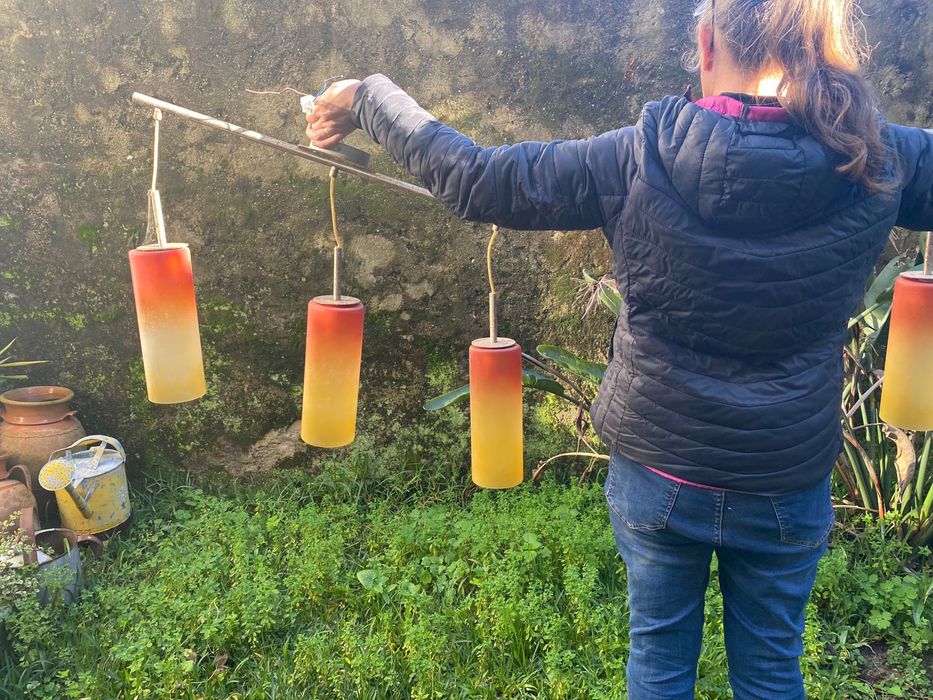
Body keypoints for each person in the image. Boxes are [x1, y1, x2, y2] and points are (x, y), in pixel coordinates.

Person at [307, 0, 932, 697]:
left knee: (658, 660)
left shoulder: (639, 155)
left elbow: (476, 179)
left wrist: (369, 96)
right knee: (770, 667)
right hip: (783, 477)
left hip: (659, 472)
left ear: (703, 44)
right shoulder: (879, 155)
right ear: (824, 45)